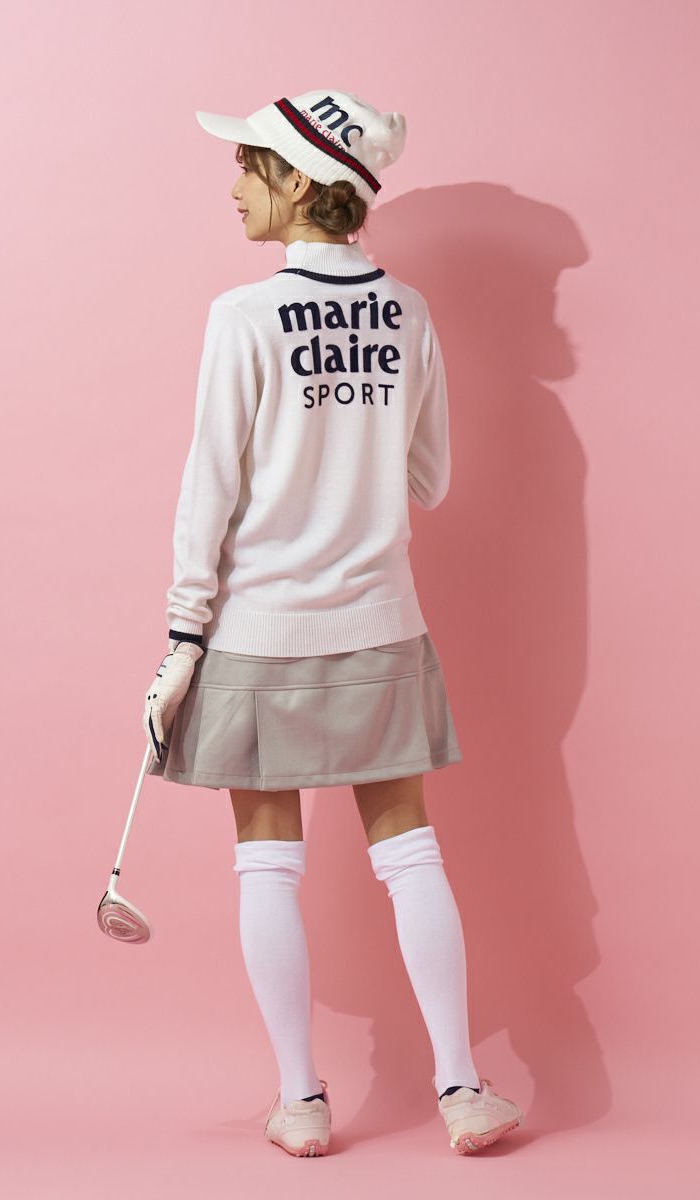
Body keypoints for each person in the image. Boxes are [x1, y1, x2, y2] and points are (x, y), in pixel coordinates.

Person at [142, 88, 523, 1158]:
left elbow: (209, 489)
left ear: (302, 181)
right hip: (378, 624)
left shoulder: (242, 316)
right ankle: (462, 1088)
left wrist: (182, 639)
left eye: (249, 165)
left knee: (267, 862)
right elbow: (431, 478)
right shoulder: (408, 311)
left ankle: (301, 1102)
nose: (234, 185)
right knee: (410, 852)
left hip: (259, 630)